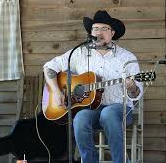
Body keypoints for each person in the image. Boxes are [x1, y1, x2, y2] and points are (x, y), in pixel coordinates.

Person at [43, 10, 143, 163]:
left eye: (104, 29)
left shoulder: (127, 58)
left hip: (120, 110)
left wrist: (132, 87)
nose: (99, 32)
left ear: (113, 33)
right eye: (96, 29)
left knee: (108, 113)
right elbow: (49, 67)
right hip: (92, 110)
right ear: (91, 33)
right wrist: (56, 91)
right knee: (80, 118)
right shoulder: (79, 53)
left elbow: (136, 95)